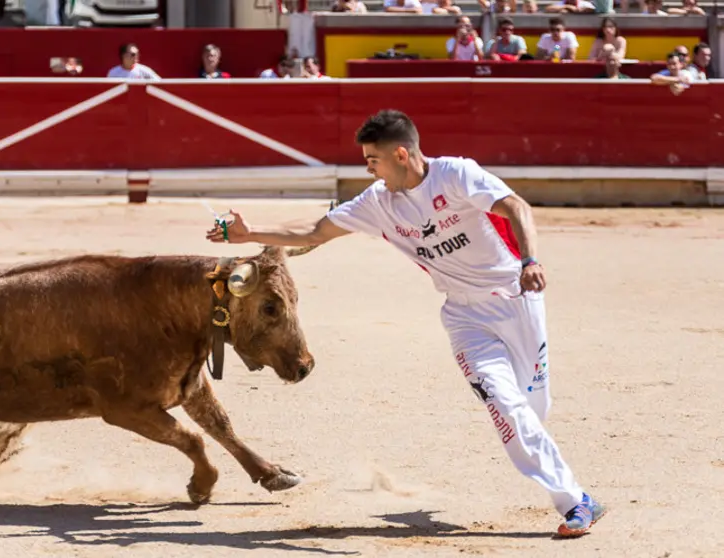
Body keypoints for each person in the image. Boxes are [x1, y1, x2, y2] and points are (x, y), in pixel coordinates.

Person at [205, 109, 607, 538]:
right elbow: (315, 230)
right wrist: (251, 233)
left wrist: (531, 260)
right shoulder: (378, 202)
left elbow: (515, 207)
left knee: (533, 410)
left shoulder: (455, 175)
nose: (367, 168)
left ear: (401, 154)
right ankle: (575, 500)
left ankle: (562, 478)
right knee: (507, 408)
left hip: (516, 299)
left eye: (372, 159)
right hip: (464, 317)